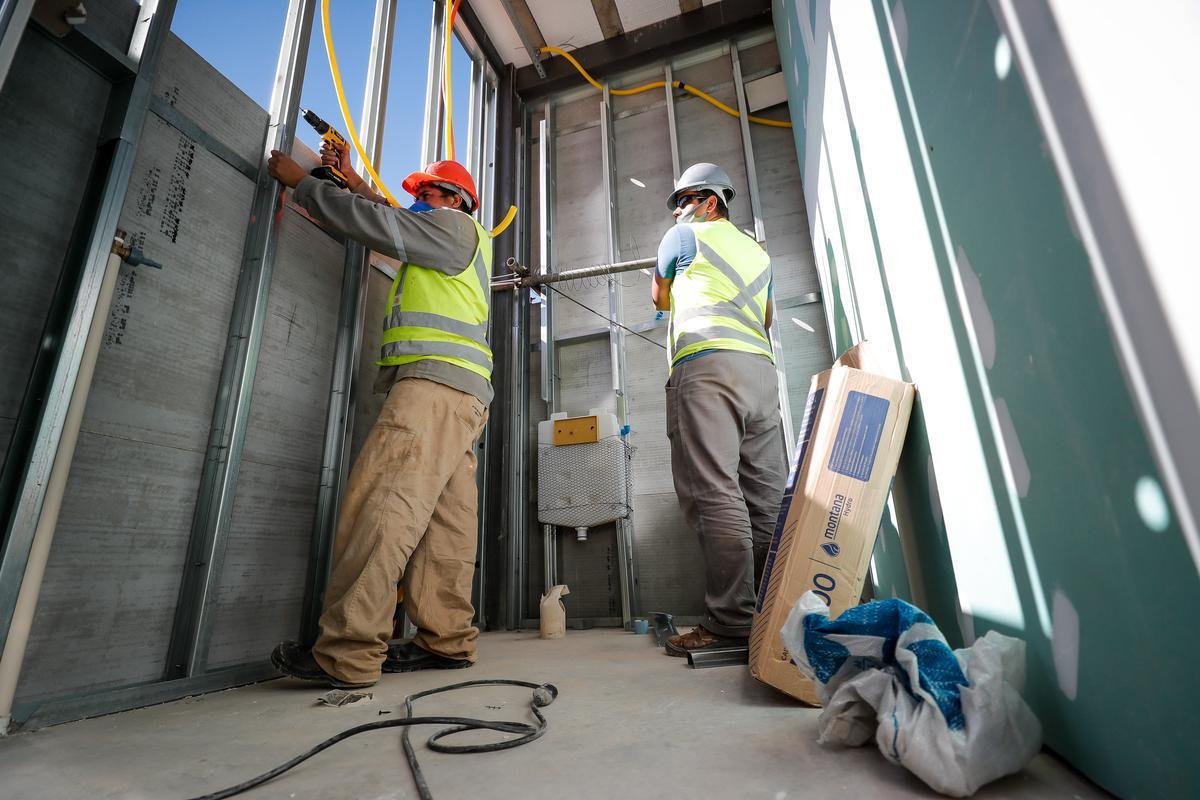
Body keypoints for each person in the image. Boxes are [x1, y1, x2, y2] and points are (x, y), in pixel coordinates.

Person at [265, 140, 492, 688]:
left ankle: (346, 653)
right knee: (447, 527)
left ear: (455, 200)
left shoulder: (451, 229)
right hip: (464, 397)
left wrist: (305, 182)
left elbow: (379, 224)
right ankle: (446, 641)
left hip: (431, 389)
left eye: (426, 194)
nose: (417, 203)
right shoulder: (456, 240)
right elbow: (389, 219)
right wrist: (352, 179)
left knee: (384, 507)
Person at [651, 162, 786, 657]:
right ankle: (779, 613)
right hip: (759, 374)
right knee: (766, 497)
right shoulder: (758, 252)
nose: (680, 209)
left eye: (686, 199)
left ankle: (731, 621)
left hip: (706, 368)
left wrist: (672, 294)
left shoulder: (682, 238)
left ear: (712, 201)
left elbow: (658, 297)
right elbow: (767, 316)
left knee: (714, 493)